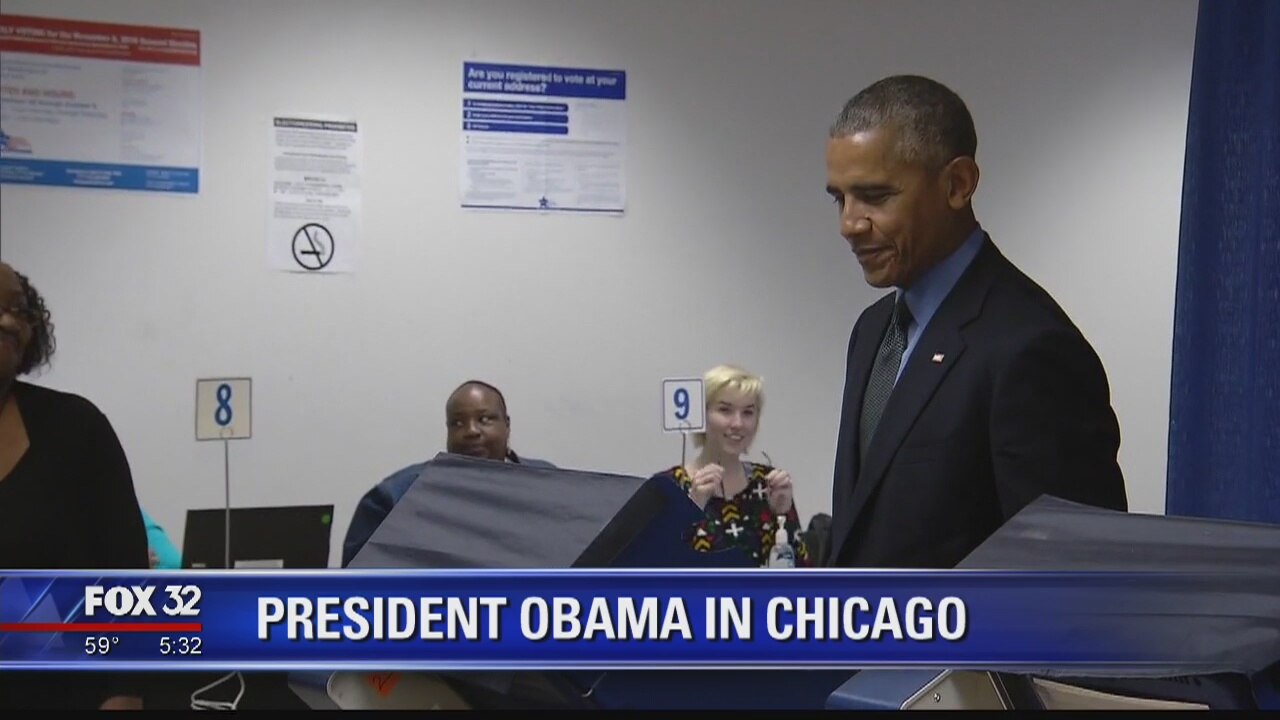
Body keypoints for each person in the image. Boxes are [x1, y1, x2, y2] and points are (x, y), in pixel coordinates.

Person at [823, 75, 1127, 569]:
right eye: (840, 198)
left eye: (875, 197)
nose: (849, 224)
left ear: (957, 185)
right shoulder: (873, 330)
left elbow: (1073, 580)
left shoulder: (1030, 348)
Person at [0, 261, 148, 709]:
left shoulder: (76, 429)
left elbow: (127, 575)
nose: (8, 320)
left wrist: (125, 694)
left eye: (17, 308)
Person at [341, 380, 554, 567]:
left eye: (485, 419)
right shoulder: (396, 498)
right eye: (458, 423)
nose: (471, 431)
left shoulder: (552, 487)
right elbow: (360, 587)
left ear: (507, 425)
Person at [651, 365, 811, 567]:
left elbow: (803, 573)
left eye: (748, 412)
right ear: (702, 414)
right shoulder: (667, 487)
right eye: (725, 410)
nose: (738, 423)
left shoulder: (768, 484)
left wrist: (782, 514)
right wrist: (690, 508)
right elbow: (652, 570)